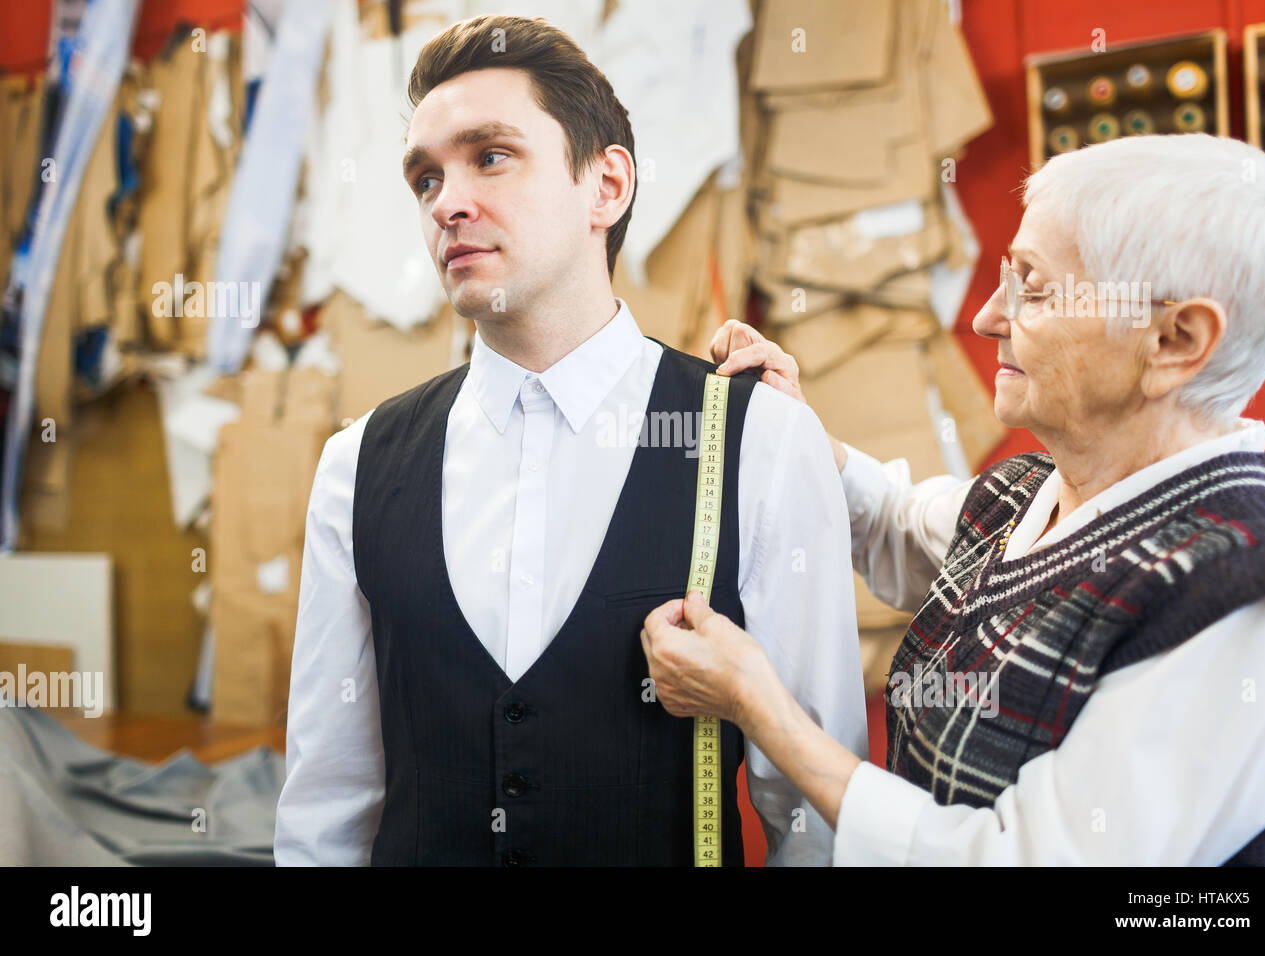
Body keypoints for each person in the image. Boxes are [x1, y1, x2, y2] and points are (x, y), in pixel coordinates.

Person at [274, 14, 867, 867]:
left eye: (490, 156)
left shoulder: (761, 442)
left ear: (607, 187)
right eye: (424, 179)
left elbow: (812, 817)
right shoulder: (355, 466)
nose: (448, 201)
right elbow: (326, 811)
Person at [642, 132, 1265, 865]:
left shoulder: (1242, 607)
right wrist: (795, 434)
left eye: (1034, 288)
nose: (988, 317)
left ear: (1177, 340)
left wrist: (758, 706)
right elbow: (896, 522)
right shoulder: (1032, 496)